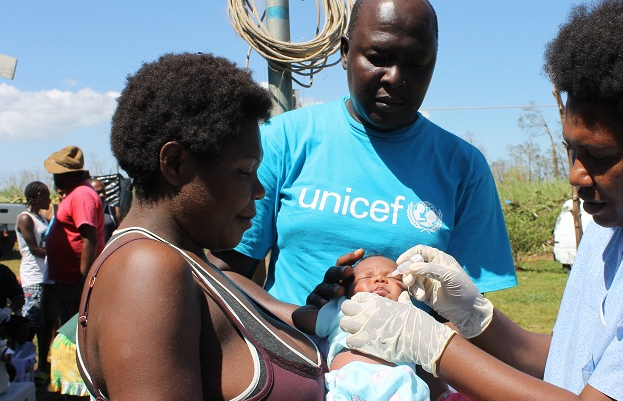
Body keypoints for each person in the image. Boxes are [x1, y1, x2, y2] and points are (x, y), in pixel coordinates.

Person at [331, 1, 623, 400]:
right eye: (572, 150)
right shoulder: (619, 222)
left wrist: (433, 346)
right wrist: (475, 317)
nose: (575, 175)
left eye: (599, 157)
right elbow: (577, 365)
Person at [210, 0, 517, 317]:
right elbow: (224, 273)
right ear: (345, 52)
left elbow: (471, 313)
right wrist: (302, 319)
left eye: (416, 63)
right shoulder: (282, 141)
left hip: (409, 366)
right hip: (291, 357)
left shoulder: (464, 168)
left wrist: (418, 341)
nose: (395, 78)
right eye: (378, 58)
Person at [75, 52, 326, 400]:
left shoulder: (201, 267)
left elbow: (300, 320)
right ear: (175, 164)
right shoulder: (146, 270)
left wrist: (336, 308)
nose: (259, 190)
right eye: (244, 171)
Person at [294, 254, 464, 401]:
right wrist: (328, 302)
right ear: (346, 290)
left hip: (403, 386)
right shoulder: (343, 308)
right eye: (366, 277)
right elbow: (299, 317)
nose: (380, 279)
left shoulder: (410, 315)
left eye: (393, 278)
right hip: (350, 382)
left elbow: (448, 334)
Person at [44, 145, 105, 327]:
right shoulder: (75, 193)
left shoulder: (82, 195)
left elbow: (89, 239)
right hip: (68, 280)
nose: (54, 179)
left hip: (75, 282)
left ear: (64, 175)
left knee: (74, 331)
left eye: (56, 175)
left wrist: (82, 282)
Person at [14, 181, 56, 383]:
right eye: (47, 195)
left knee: (46, 323)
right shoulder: (25, 218)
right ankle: (17, 360)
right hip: (34, 277)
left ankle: (41, 366)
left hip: (45, 276)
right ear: (38, 195)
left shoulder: (40, 217)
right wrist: (60, 254)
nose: (50, 199)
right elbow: (34, 249)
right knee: (31, 322)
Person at [89, 178, 122, 242]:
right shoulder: (83, 212)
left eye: (103, 192)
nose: (102, 195)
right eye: (98, 192)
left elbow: (120, 232)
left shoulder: (113, 210)